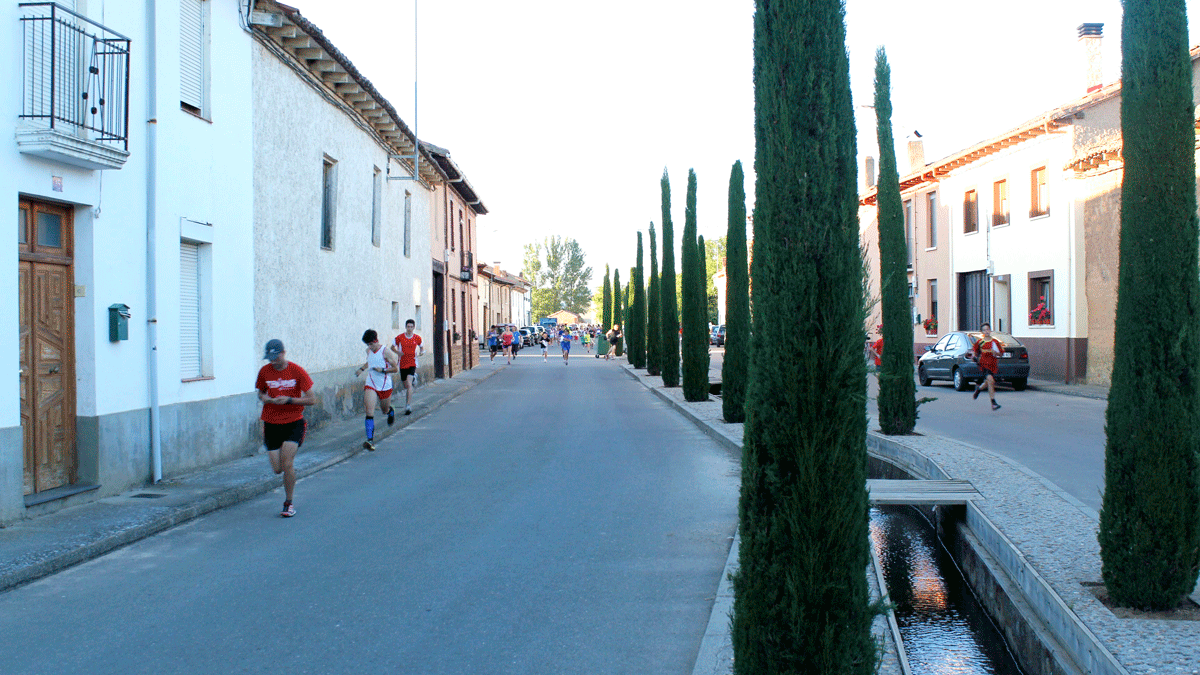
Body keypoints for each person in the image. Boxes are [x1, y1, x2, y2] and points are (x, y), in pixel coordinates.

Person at [256, 339, 314, 518]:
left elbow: (312, 399)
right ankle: (287, 489)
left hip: (293, 423)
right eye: (269, 358)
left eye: (275, 357)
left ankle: (288, 503)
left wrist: (289, 400)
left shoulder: (297, 371)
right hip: (271, 423)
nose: (272, 361)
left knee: (287, 463)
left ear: (283, 353)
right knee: (277, 469)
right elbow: (260, 391)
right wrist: (264, 398)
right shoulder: (264, 372)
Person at [355, 329, 397, 452]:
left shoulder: (386, 352)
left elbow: (395, 369)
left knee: (384, 410)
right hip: (371, 383)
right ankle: (370, 440)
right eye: (367, 345)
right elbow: (370, 361)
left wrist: (383, 370)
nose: (369, 347)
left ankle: (390, 410)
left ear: (376, 341)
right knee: (369, 411)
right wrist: (361, 369)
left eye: (371, 344)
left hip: (384, 385)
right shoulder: (368, 350)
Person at [390, 319, 424, 415]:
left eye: (411, 327)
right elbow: (392, 347)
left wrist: (421, 352)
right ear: (406, 327)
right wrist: (398, 352)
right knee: (405, 385)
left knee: (409, 385)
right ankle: (414, 379)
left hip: (412, 363)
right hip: (402, 364)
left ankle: (408, 406)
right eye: (408, 327)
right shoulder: (400, 337)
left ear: (413, 327)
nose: (409, 328)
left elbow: (421, 346)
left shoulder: (417, 338)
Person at [972, 322, 1003, 411]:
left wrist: (996, 353)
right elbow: (975, 351)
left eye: (987, 329)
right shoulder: (980, 342)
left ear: (990, 330)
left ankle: (979, 389)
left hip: (993, 365)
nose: (986, 331)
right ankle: (993, 403)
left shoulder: (995, 342)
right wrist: (974, 356)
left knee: (989, 382)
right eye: (984, 330)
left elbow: (1000, 354)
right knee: (990, 380)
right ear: (982, 332)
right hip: (983, 365)